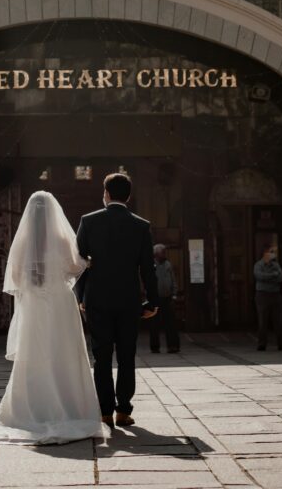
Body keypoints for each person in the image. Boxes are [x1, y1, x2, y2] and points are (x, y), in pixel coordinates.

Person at [0, 191, 108, 445]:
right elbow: (74, 267)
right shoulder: (61, 238)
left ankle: (30, 411)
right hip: (60, 302)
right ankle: (71, 409)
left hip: (34, 304)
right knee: (64, 352)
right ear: (53, 213)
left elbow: (14, 277)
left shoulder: (22, 242)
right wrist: (87, 262)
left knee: (34, 354)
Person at [76, 172, 159, 428]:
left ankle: (104, 412)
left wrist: (81, 296)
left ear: (106, 194)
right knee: (126, 355)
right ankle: (124, 410)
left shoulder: (88, 222)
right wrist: (152, 302)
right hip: (128, 301)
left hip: (97, 300)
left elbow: (78, 263)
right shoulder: (141, 225)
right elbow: (148, 267)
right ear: (129, 196)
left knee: (101, 356)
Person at [253, 245, 282, 351]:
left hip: (275, 295)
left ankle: (281, 344)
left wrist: (268, 276)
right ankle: (262, 344)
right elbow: (259, 276)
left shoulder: (276, 265)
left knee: (278, 320)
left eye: (272, 252)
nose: (272, 254)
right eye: (270, 252)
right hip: (262, 295)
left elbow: (281, 277)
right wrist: (273, 276)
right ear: (264, 254)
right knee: (263, 320)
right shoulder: (258, 265)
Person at [149, 244, 180, 354]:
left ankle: (173, 346)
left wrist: (174, 293)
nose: (164, 254)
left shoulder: (168, 265)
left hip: (167, 298)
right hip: (155, 298)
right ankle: (154, 346)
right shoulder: (151, 265)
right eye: (163, 252)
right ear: (157, 253)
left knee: (170, 323)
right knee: (154, 324)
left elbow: (173, 279)